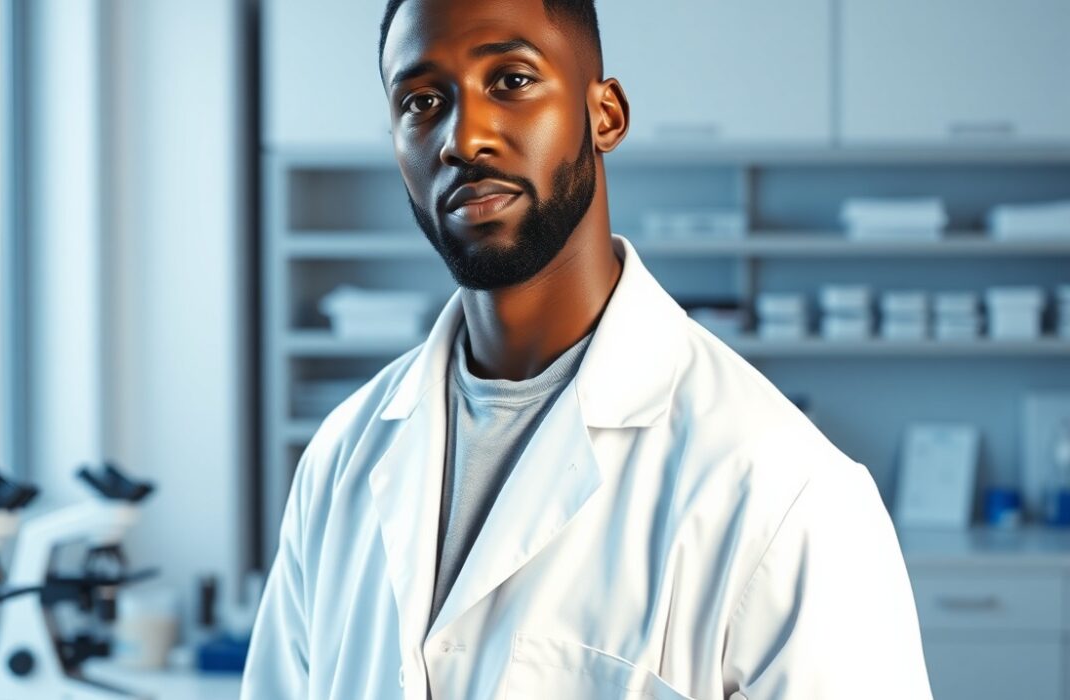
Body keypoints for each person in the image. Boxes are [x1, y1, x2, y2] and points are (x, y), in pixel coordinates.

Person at [242, 0, 933, 697]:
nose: (464, 136)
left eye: (511, 80)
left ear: (606, 116)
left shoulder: (785, 489)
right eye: (422, 100)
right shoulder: (340, 460)